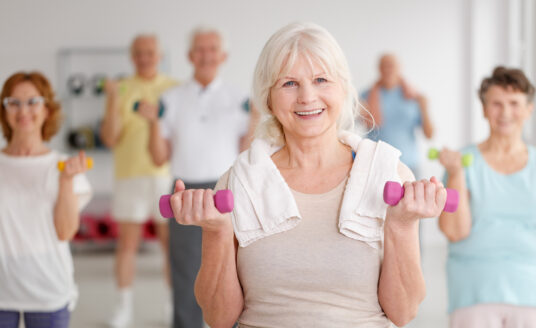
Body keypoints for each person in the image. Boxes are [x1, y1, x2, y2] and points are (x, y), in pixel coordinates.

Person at [165, 22, 448, 328]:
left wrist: (402, 225)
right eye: (289, 83)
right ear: (268, 98)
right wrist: (216, 230)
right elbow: (220, 318)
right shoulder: (239, 182)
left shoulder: (388, 174)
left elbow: (403, 312)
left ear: (343, 88)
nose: (307, 97)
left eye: (321, 79)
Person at [138, 27, 250, 328]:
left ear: (223, 56)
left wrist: (257, 118)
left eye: (213, 48)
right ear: (190, 56)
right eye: (200, 49)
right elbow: (159, 156)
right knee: (185, 270)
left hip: (227, 191)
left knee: (233, 268)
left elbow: (247, 151)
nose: (206, 55)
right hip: (184, 190)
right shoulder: (171, 98)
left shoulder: (241, 98)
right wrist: (151, 124)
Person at [437, 67, 536, 327]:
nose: (505, 113)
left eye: (514, 104)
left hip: (531, 291)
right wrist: (456, 174)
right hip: (475, 290)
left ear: (529, 109)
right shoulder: (462, 162)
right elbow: (454, 232)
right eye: (496, 104)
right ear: (483, 109)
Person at [0, 71, 92, 328]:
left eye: (32, 101)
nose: (23, 110)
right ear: (4, 111)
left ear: (48, 110)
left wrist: (65, 181)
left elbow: (65, 232)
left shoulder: (64, 166)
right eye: (13, 102)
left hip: (48, 289)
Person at [99, 34, 178, 327]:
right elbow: (109, 138)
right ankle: (124, 309)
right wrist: (111, 99)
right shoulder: (120, 88)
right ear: (132, 57)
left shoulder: (174, 88)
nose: (144, 57)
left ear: (159, 55)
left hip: (166, 176)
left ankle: (173, 306)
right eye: (139, 53)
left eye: (150, 52)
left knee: (170, 246)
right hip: (129, 175)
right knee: (127, 245)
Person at [360, 54, 434, 175]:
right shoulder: (366, 96)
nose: (388, 69)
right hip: (376, 166)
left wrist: (425, 109)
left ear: (399, 68)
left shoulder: (414, 97)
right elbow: (359, 125)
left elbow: (429, 134)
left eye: (392, 65)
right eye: (384, 66)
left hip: (409, 165)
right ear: (379, 69)